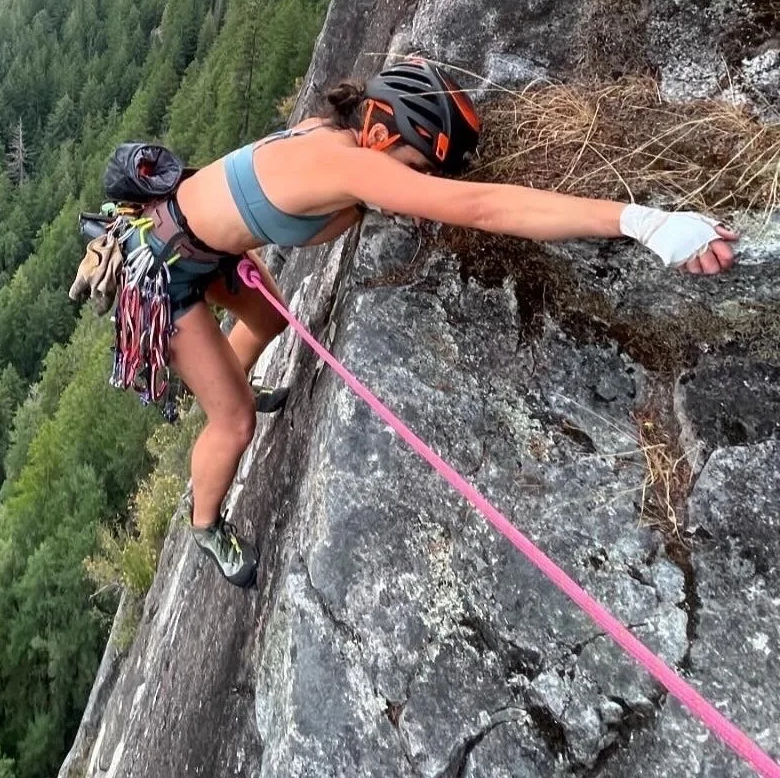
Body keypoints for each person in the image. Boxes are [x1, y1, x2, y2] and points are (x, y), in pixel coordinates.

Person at [146, 56, 737, 588]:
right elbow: (486, 207)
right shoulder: (347, 164)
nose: (417, 184)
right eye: (415, 166)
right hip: (162, 279)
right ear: (381, 134)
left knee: (269, 321)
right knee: (236, 422)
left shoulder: (338, 132)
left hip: (195, 243)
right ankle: (204, 524)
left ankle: (224, 373)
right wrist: (643, 221)